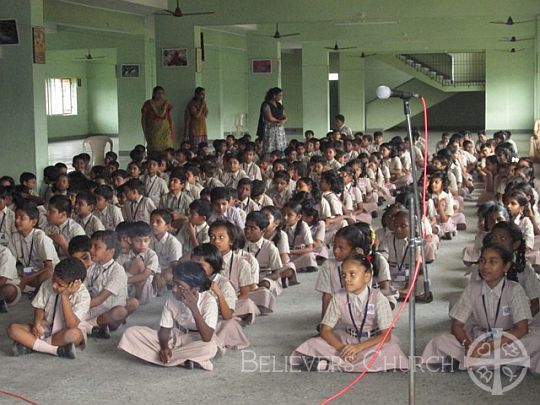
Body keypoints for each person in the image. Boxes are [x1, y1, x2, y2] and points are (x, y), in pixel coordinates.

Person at [422, 243, 537, 373]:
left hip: (508, 340)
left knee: (535, 342)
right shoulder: (473, 288)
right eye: (482, 261)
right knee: (441, 341)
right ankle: (502, 363)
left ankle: (477, 361)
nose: (485, 266)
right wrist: (469, 345)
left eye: (493, 262)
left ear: (506, 266)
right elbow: (457, 325)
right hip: (479, 338)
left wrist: (488, 347)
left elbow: (522, 329)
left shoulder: (514, 289)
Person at [291, 254, 408, 372]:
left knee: (391, 350)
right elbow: (325, 330)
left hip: (372, 342)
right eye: (343, 275)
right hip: (346, 339)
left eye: (352, 274)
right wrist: (343, 349)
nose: (346, 279)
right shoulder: (338, 297)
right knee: (313, 343)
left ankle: (330, 365)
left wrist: (358, 347)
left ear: (367, 276)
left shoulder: (379, 298)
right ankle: (355, 364)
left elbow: (386, 335)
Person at [118, 261, 219, 370]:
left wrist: (194, 308)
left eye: (179, 285)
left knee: (210, 348)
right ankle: (183, 360)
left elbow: (207, 337)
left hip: (197, 340)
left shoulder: (209, 301)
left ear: (194, 288)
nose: (174, 289)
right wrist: (164, 347)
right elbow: (164, 330)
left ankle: (160, 358)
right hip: (175, 338)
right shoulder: (172, 298)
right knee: (131, 333)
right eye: (174, 283)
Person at [7, 258, 90, 359]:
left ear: (75, 284)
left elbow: (71, 324)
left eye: (60, 285)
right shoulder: (47, 283)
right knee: (12, 329)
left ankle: (33, 344)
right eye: (54, 280)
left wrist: (64, 296)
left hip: (64, 333)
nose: (54, 285)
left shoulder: (83, 296)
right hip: (46, 328)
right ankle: (56, 350)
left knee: (74, 334)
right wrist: (37, 322)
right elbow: (40, 307)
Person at [141, 86, 174, 152]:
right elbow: (143, 119)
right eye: (158, 93)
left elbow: (170, 119)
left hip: (165, 131)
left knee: (167, 149)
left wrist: (172, 130)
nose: (160, 95)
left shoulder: (167, 104)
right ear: (153, 94)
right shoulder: (148, 104)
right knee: (154, 148)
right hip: (153, 131)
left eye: (162, 93)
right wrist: (145, 131)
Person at [257, 87, 287, 153]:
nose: (281, 97)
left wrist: (284, 120)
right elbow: (269, 118)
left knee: (280, 148)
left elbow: (284, 115)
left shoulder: (279, 105)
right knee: (270, 147)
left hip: (280, 130)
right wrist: (279, 121)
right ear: (274, 95)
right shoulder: (266, 104)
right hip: (270, 129)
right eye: (280, 95)